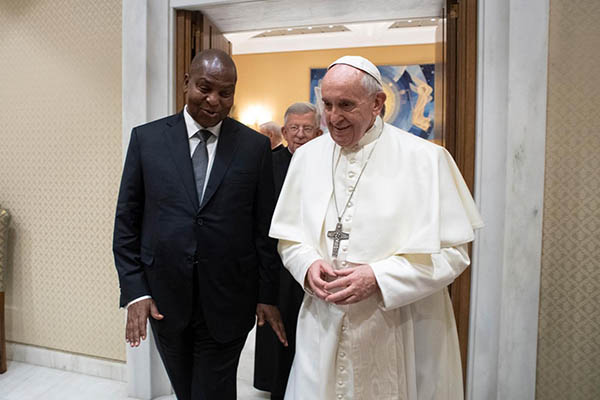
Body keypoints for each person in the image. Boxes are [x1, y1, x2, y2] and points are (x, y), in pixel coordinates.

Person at [269, 56, 484, 400]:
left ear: (377, 103)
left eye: (346, 105)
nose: (333, 117)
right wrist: (307, 264)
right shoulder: (306, 157)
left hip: (402, 324)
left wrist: (379, 278)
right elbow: (289, 239)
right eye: (327, 104)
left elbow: (453, 254)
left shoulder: (425, 159)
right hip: (324, 323)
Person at [113, 49, 287, 400]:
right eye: (205, 88)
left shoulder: (254, 147)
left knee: (212, 392)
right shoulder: (147, 140)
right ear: (186, 83)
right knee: (186, 391)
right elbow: (127, 221)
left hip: (229, 301)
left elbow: (264, 229)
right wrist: (136, 291)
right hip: (165, 301)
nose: (214, 100)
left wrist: (266, 295)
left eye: (226, 92)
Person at [254, 102, 322, 400]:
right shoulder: (268, 163)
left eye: (307, 128)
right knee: (278, 328)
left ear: (318, 132)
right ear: (284, 131)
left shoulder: (327, 162)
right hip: (275, 263)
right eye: (294, 128)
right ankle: (277, 388)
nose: (300, 134)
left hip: (315, 261)